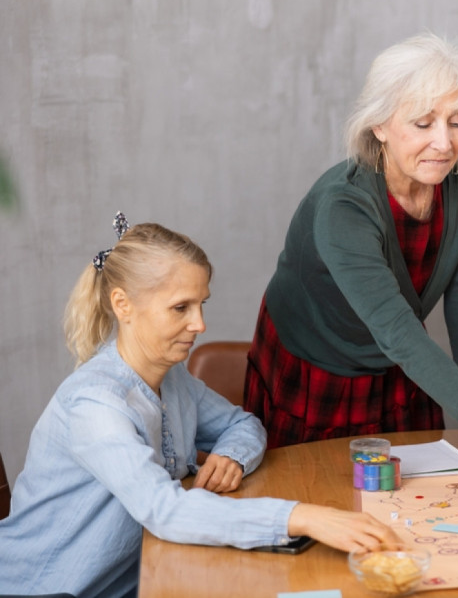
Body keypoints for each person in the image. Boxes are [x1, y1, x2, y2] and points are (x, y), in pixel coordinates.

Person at [243, 32, 458, 515]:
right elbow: (397, 329)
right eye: (422, 123)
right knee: (324, 501)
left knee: (409, 510)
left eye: (457, 121)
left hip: (402, 358)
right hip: (320, 362)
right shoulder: (342, 205)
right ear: (379, 125)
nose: (444, 143)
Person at [0, 215, 401, 598]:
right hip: (47, 589)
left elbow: (243, 424)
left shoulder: (172, 377)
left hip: (138, 578)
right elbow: (164, 511)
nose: (200, 324)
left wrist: (231, 456)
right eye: (181, 308)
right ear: (122, 305)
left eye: (201, 304)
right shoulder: (96, 405)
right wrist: (305, 517)